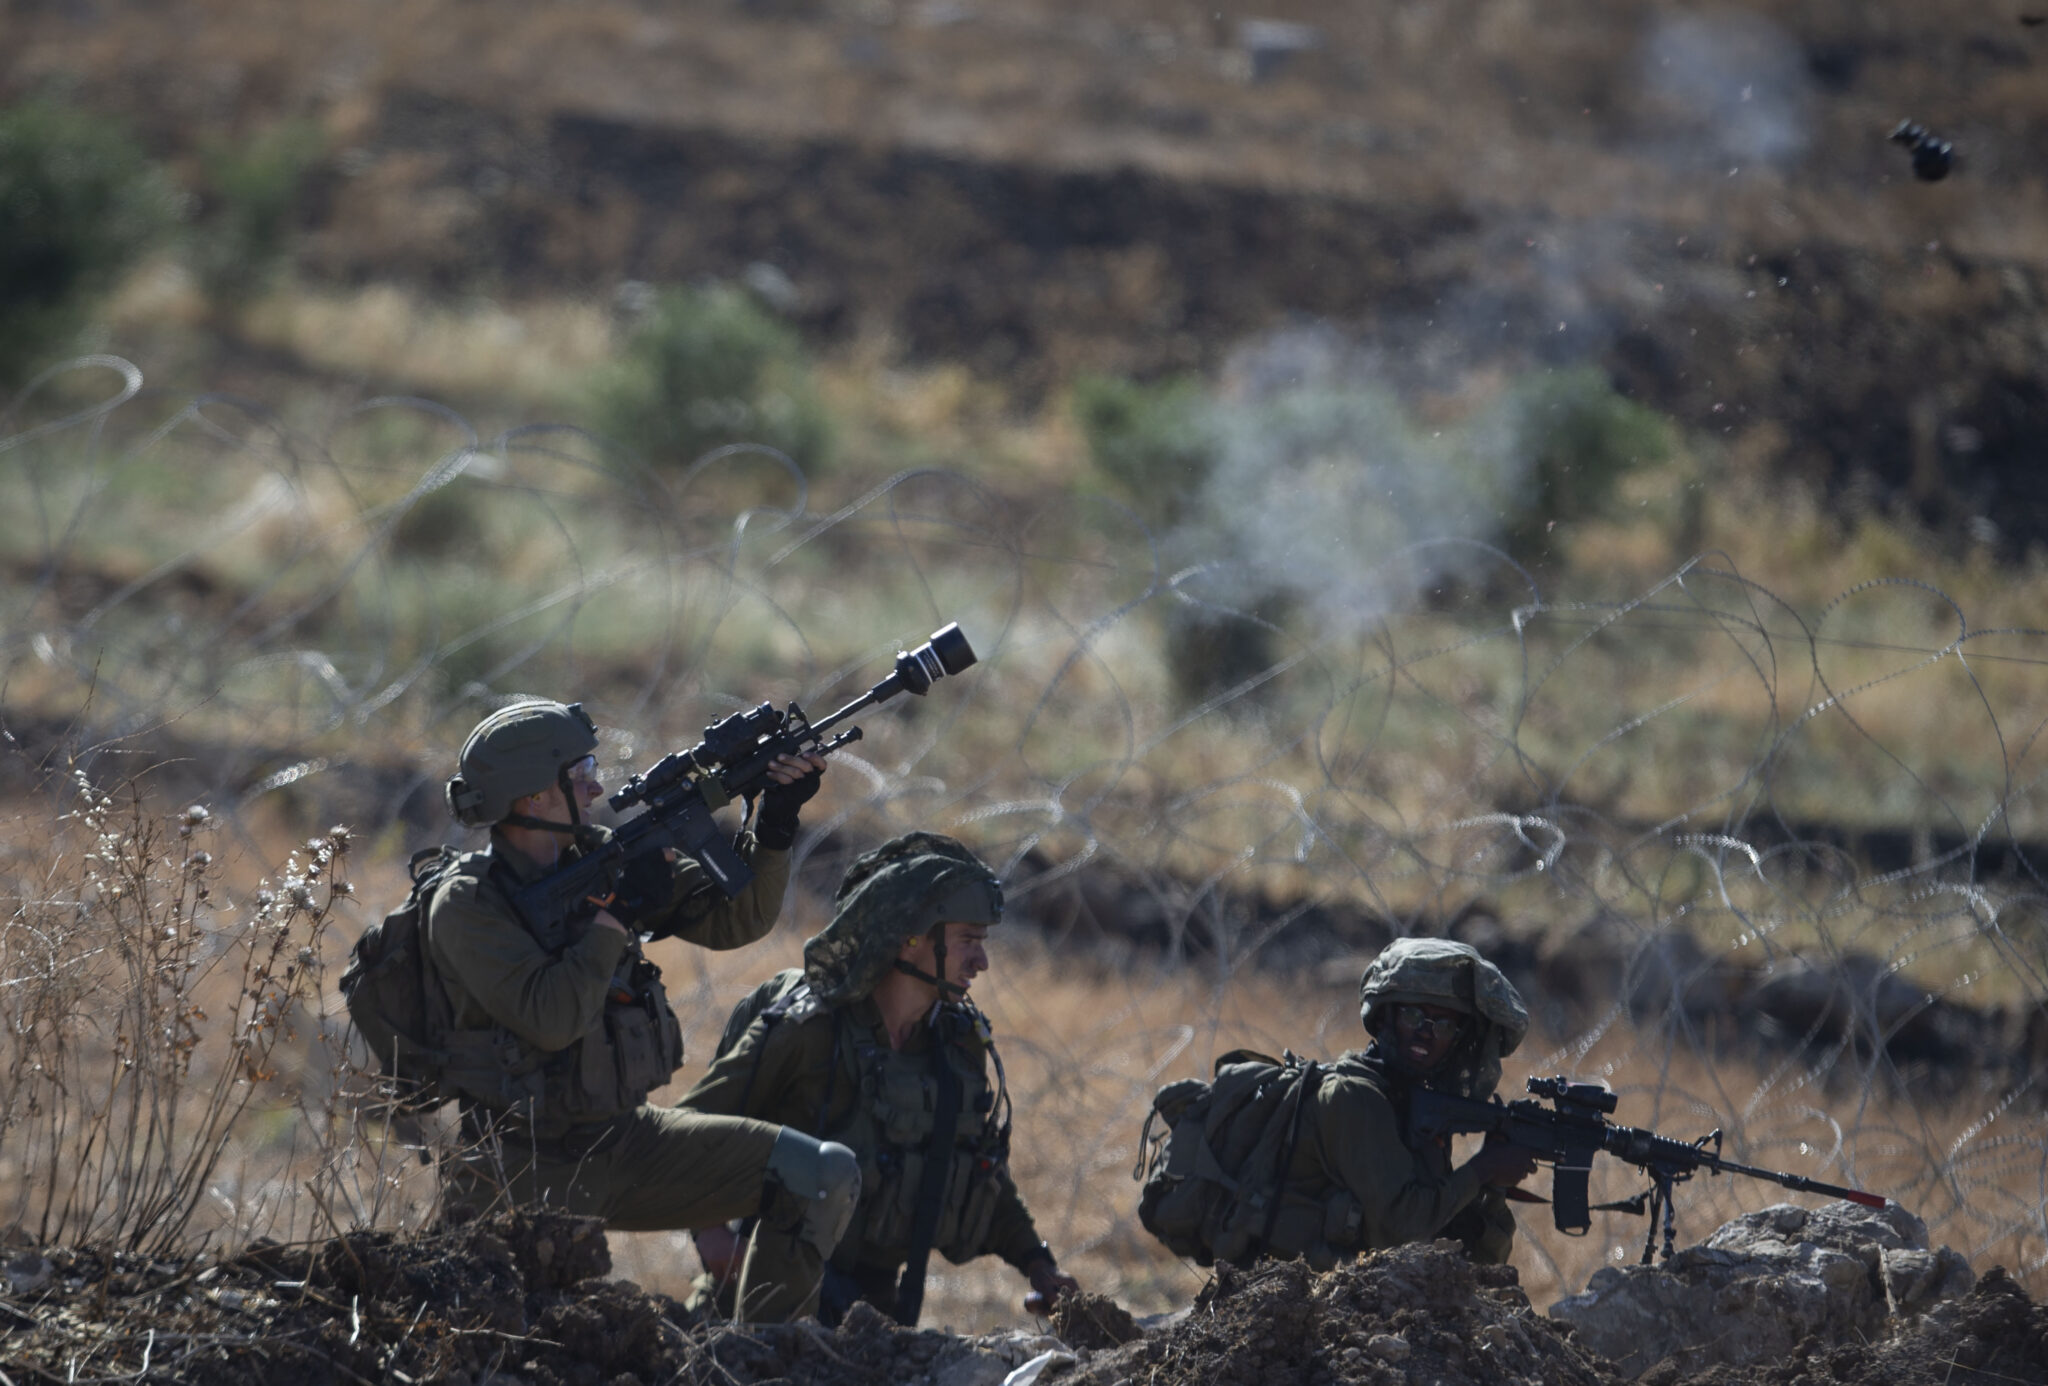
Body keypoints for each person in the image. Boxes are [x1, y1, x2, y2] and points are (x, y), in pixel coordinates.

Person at [423, 698, 859, 1322]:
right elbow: (550, 1018)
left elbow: (739, 918)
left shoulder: (602, 855)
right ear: (531, 799)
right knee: (511, 1335)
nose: (597, 784)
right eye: (579, 775)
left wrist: (776, 822)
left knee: (819, 1174)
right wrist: (616, 916)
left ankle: (759, 1356)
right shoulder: (468, 905)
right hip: (517, 1169)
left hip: (624, 1142)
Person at [679, 832, 1080, 1325]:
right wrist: (711, 1235)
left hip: (874, 1323)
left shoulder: (955, 1046)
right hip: (753, 1319)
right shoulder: (809, 1027)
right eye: (967, 942)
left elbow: (976, 1175)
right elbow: (690, 1130)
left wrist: (1037, 1265)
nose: (982, 962)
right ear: (910, 938)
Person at [1273, 937, 1540, 1266]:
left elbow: (1475, 1258)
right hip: (1303, 1296)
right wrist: (1483, 1169)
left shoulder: (1414, 1108)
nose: (1427, 1033)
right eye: (1413, 1017)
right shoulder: (1355, 1097)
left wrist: (1493, 1186)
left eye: (1443, 1026)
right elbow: (1398, 1233)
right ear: (1385, 1018)